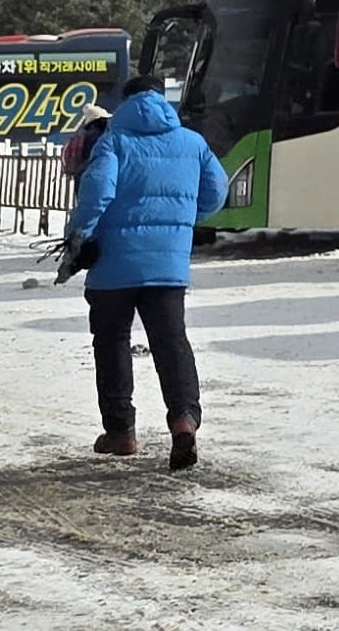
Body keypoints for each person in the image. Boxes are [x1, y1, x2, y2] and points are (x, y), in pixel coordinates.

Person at [64, 71, 229, 468]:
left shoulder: (113, 141)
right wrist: (180, 219)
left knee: (112, 342)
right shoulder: (193, 142)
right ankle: (184, 420)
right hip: (168, 264)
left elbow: (96, 193)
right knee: (171, 342)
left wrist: (77, 237)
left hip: (112, 266)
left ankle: (121, 432)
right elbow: (217, 192)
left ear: (125, 102)